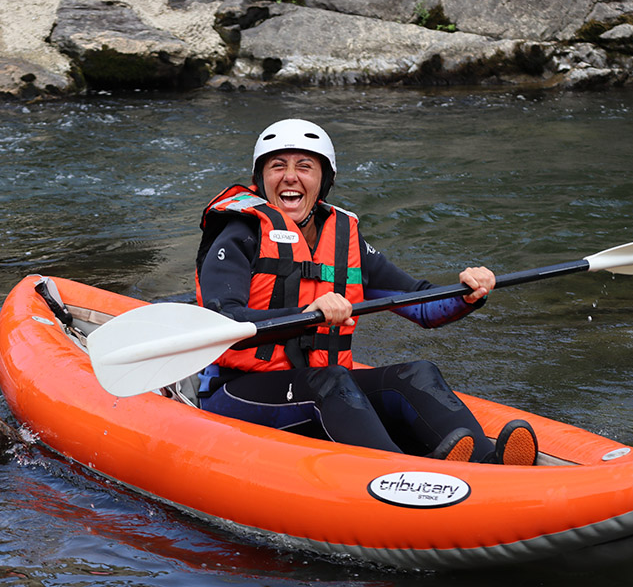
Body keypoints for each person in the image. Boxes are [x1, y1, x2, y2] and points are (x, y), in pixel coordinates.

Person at [194, 118, 537, 464]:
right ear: (261, 179)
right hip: (238, 390)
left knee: (418, 372)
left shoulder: (345, 238)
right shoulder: (239, 233)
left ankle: (488, 464)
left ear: (323, 181)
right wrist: (306, 316)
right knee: (329, 381)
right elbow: (226, 324)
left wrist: (467, 293)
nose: (290, 176)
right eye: (277, 166)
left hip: (320, 382)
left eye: (305, 167)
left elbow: (421, 304)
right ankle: (403, 476)